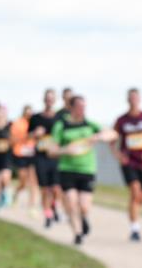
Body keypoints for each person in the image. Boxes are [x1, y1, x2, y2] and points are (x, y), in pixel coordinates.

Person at [51, 95, 116, 245]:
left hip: (87, 169)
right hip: (67, 169)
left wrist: (98, 137)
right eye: (79, 106)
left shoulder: (90, 124)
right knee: (71, 202)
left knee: (84, 206)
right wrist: (66, 150)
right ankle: (78, 234)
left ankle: (83, 217)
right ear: (71, 108)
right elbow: (51, 151)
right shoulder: (61, 125)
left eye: (84, 107)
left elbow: (113, 134)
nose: (82, 109)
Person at [110, 88, 142, 241]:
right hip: (129, 161)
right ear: (127, 99)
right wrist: (118, 155)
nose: (133, 100)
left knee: (141, 197)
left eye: (135, 97)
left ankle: (135, 214)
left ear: (139, 99)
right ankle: (135, 229)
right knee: (135, 191)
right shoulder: (121, 120)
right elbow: (112, 140)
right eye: (131, 97)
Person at [29, 89, 62, 228]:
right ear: (44, 100)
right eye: (47, 98)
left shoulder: (59, 118)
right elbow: (28, 135)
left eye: (51, 99)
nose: (49, 101)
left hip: (55, 157)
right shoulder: (35, 118)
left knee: (56, 188)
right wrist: (35, 134)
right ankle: (48, 214)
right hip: (41, 157)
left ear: (54, 100)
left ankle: (54, 205)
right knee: (45, 188)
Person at [10, 104, 39, 213]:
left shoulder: (35, 123)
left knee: (33, 181)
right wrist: (27, 136)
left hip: (32, 154)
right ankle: (16, 193)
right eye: (27, 113)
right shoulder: (18, 123)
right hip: (21, 154)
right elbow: (13, 140)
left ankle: (32, 206)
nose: (29, 115)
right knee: (23, 181)